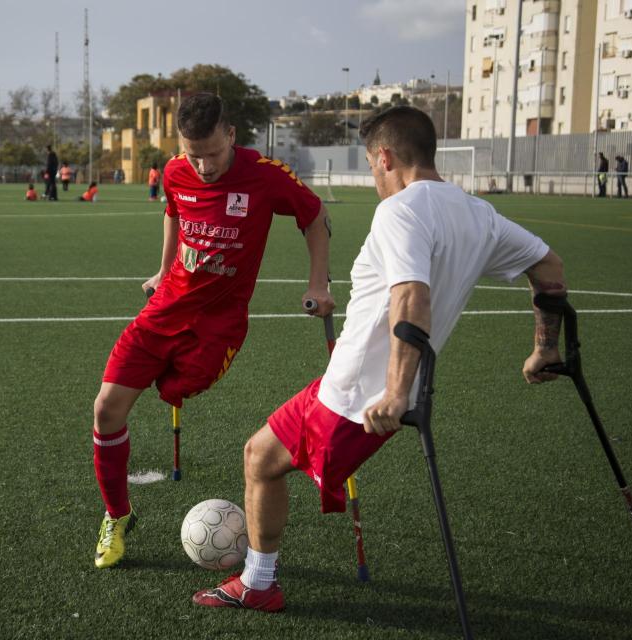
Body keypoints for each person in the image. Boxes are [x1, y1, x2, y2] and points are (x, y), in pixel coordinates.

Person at [192, 106, 567, 612]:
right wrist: (545, 346)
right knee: (260, 454)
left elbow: (411, 296)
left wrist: (393, 393)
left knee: (260, 460)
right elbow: (549, 265)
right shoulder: (479, 213)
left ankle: (258, 585)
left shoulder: (401, 210)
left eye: (372, 166)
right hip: (371, 388)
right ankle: (258, 581)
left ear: (385, 157)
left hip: (357, 398)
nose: (374, 179)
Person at [91, 93, 334, 571]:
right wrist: (163, 271)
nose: (201, 165)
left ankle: (173, 385)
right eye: (192, 153)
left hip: (219, 325)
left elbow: (316, 216)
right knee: (106, 408)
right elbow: (173, 213)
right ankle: (117, 516)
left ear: (231, 136)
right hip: (165, 311)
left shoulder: (264, 174)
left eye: (212, 154)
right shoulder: (176, 170)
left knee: (176, 389)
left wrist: (317, 283)